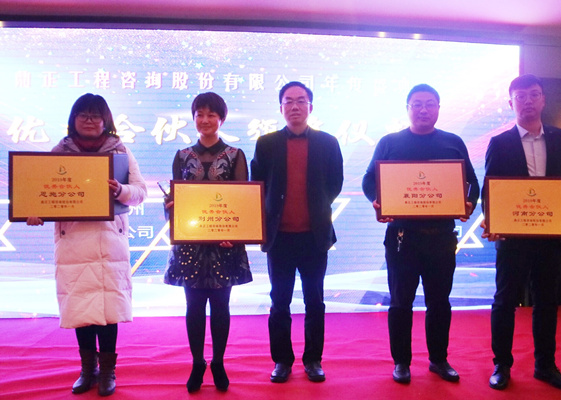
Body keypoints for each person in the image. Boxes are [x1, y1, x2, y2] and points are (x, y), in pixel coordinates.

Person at [26, 93, 148, 396]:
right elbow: (40, 193)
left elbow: (140, 192)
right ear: (73, 119)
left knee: (108, 309)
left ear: (106, 120)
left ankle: (107, 371)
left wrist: (120, 190)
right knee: (82, 308)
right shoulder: (59, 152)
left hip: (109, 241)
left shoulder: (120, 151)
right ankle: (87, 369)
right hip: (74, 242)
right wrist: (34, 211)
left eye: (96, 115)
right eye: (83, 115)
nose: (90, 120)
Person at [362, 84, 479, 384]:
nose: (423, 109)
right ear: (407, 109)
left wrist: (468, 203)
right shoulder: (390, 142)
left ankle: (438, 359)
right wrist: (378, 201)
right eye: (417, 104)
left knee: (439, 302)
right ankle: (401, 362)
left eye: (429, 104)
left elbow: (472, 184)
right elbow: (368, 180)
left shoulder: (453, 143)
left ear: (438, 108)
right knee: (400, 302)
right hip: (402, 238)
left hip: (441, 237)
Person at [481, 74, 561, 392]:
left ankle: (545, 366)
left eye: (534, 94)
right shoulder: (500, 143)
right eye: (521, 96)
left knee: (547, 301)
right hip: (512, 238)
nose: (528, 101)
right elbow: (490, 189)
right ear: (510, 102)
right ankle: (502, 365)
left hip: (549, 237)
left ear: (543, 100)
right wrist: (492, 220)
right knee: (505, 301)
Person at [250, 81, 343, 383]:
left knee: (315, 301)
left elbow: (335, 183)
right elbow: (257, 185)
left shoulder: (328, 142)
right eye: (288, 101)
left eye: (301, 101)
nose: (294, 106)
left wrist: (316, 206)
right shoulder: (266, 144)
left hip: (314, 238)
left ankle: (313, 359)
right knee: (280, 302)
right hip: (280, 239)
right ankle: (282, 361)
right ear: (280, 108)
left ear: (310, 107)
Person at [163, 92, 252, 393]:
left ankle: (219, 362)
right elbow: (176, 202)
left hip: (224, 244)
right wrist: (170, 207)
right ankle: (197, 362)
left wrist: (235, 234)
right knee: (194, 306)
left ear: (221, 119)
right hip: (191, 245)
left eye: (211, 114)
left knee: (221, 306)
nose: (205, 120)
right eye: (199, 114)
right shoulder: (182, 155)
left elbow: (242, 201)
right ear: (193, 118)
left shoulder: (235, 155)